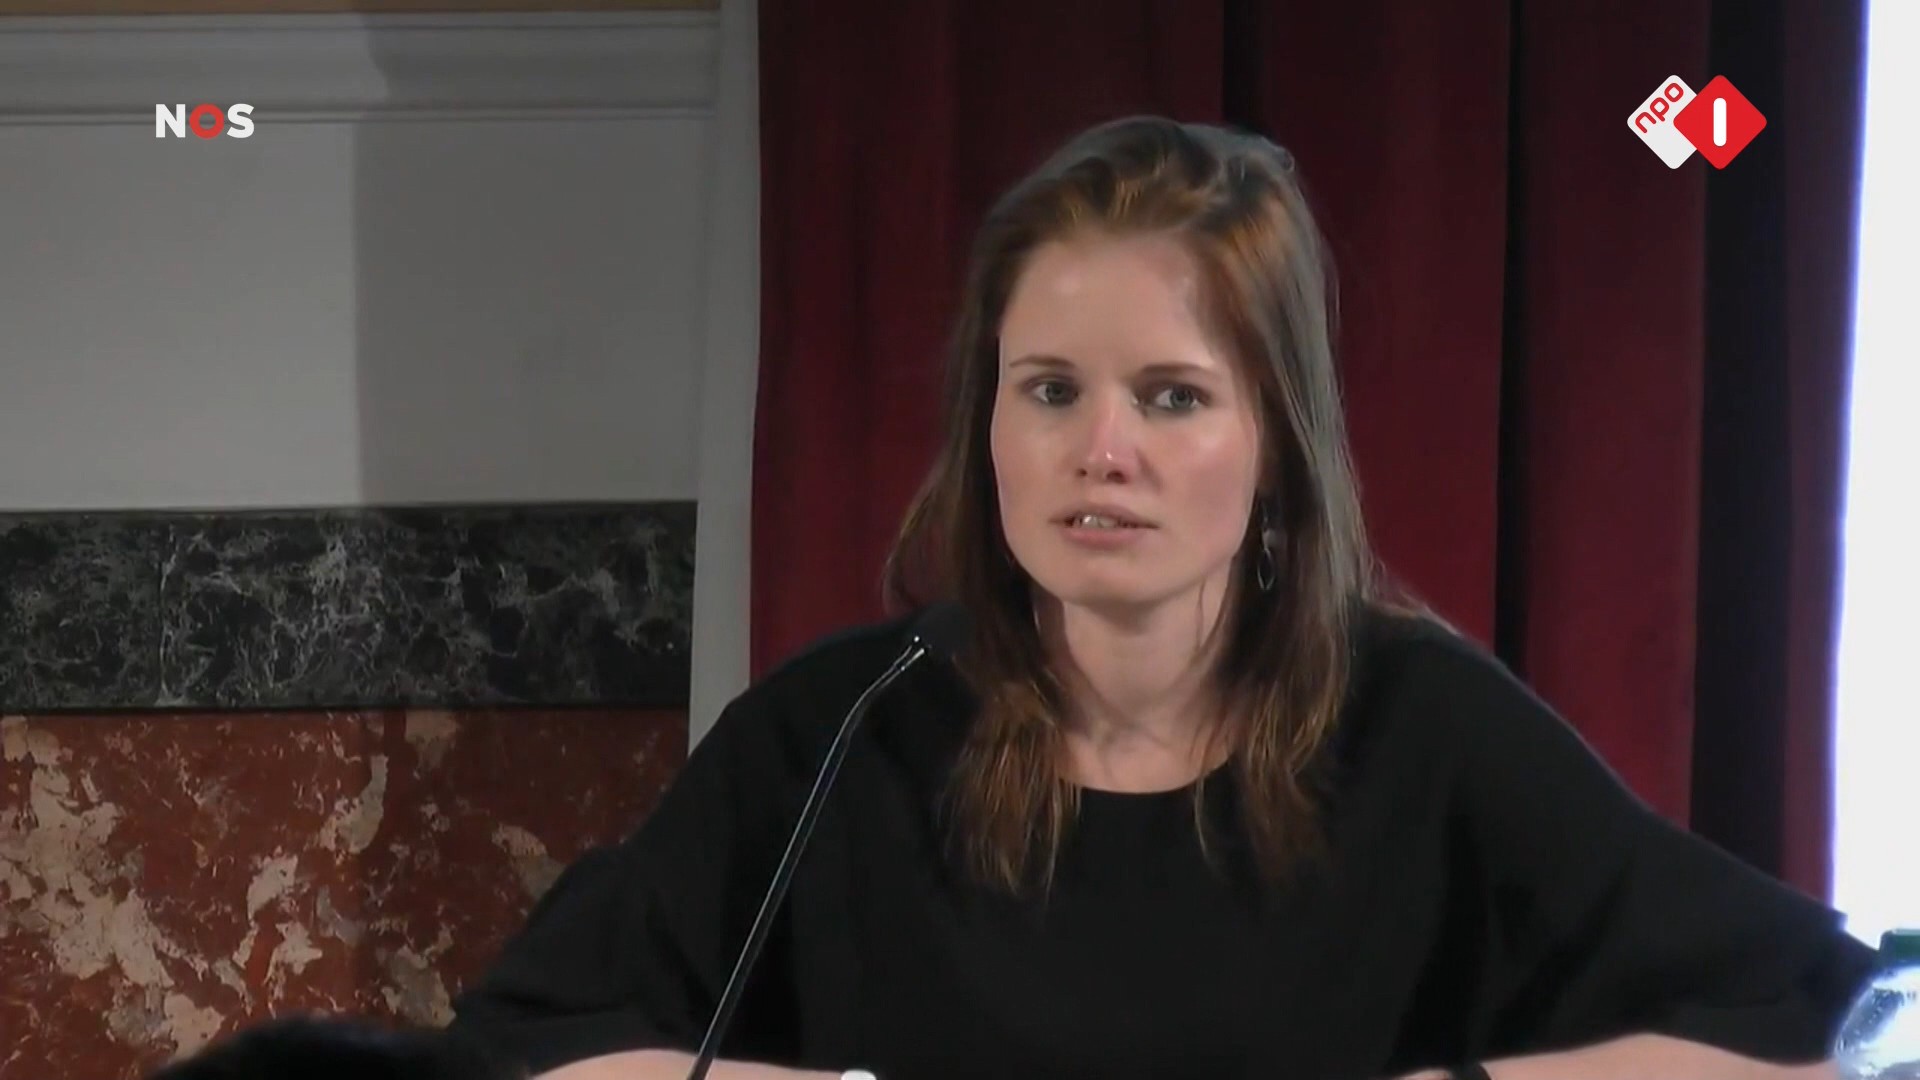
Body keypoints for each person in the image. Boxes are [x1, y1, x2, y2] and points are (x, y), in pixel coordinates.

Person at [444, 116, 1878, 1080]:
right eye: (1049, 390)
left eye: (1173, 396)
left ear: (1276, 442)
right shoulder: (839, 727)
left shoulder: (1421, 725)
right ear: (988, 425)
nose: (1101, 451)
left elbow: (1816, 1014)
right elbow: (535, 1034)